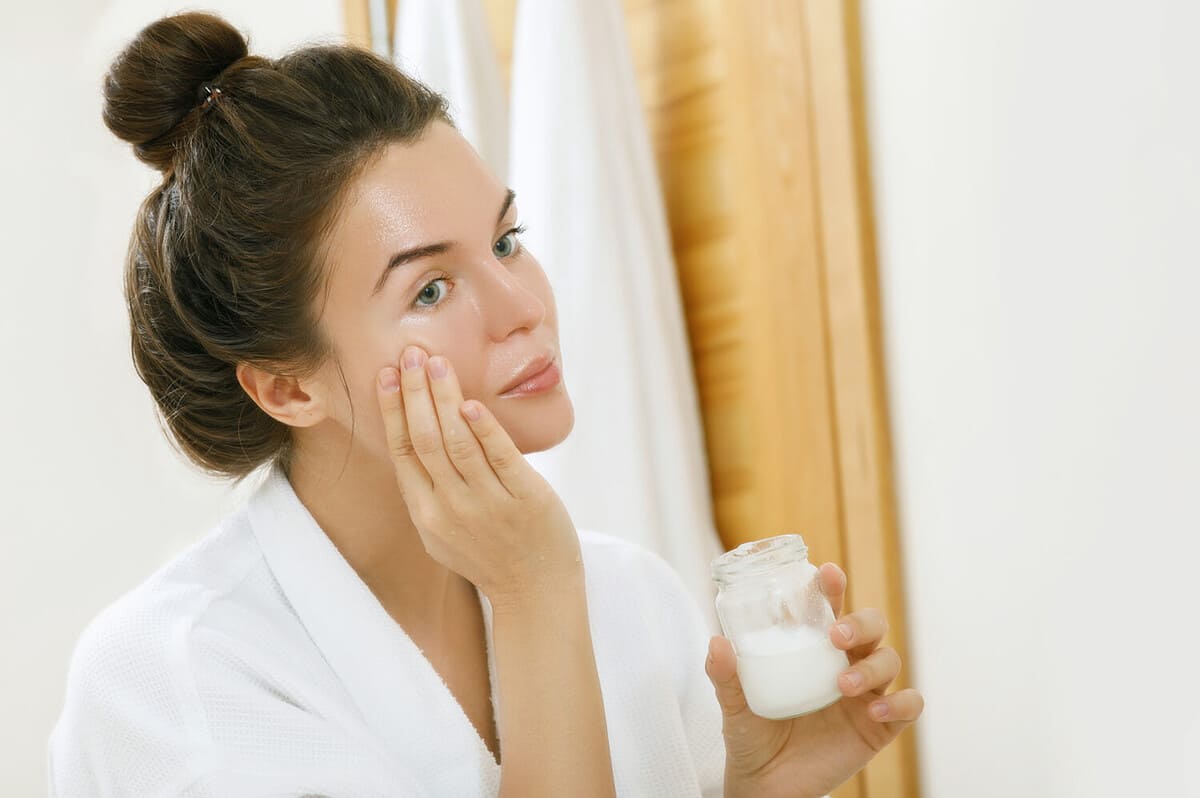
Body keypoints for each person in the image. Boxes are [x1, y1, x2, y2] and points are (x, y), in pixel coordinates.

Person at [47, 11, 923, 798]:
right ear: (288, 385)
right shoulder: (178, 684)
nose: (523, 307)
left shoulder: (634, 602)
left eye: (508, 241)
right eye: (430, 289)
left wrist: (755, 795)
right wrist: (534, 598)